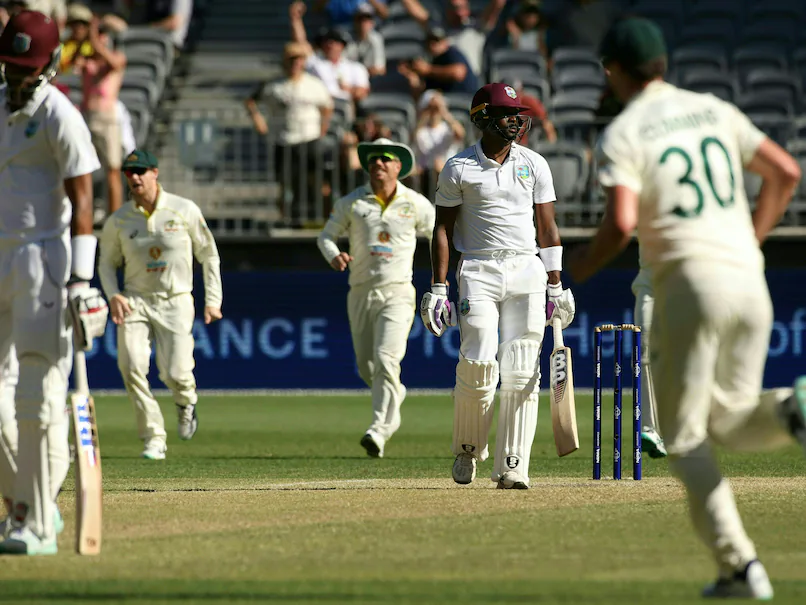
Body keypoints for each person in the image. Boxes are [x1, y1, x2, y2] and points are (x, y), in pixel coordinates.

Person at [568, 17, 806, 599]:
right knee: (728, 417)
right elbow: (786, 172)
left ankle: (740, 567)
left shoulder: (623, 131)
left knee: (686, 436)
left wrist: (574, 269)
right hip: (751, 279)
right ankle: (792, 410)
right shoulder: (713, 108)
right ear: (663, 65)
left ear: (614, 71)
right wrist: (750, 240)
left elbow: (621, 223)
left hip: (687, 284)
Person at [421, 83, 575, 489]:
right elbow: (442, 228)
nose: (516, 119)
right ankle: (468, 447)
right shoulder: (458, 167)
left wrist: (557, 285)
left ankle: (513, 465)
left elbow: (547, 226)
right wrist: (437, 288)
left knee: (523, 368)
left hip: (528, 270)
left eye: (517, 113)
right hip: (478, 270)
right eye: (507, 112)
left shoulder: (535, 163)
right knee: (478, 362)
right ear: (482, 117)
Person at [0, 10, 108, 555]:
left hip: (44, 259)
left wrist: (81, 280)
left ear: (50, 64)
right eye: (10, 67)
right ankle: (29, 502)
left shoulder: (60, 113)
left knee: (37, 388)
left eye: (26, 68)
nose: (17, 78)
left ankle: (35, 521)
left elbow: (84, 198)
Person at [98, 150, 223, 460]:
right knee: (131, 367)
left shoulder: (184, 209)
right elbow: (106, 265)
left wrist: (213, 300)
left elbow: (208, 254)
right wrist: (114, 294)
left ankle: (185, 402)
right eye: (129, 172)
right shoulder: (119, 220)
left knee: (176, 373)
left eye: (141, 170)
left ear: (155, 172)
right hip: (135, 301)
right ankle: (153, 437)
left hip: (176, 299)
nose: (135, 177)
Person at [317, 138, 435, 458]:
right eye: (372, 160)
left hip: (398, 292)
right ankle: (395, 392)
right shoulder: (353, 203)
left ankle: (379, 431)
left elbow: (440, 234)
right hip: (360, 293)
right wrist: (333, 255)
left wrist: (446, 275)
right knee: (367, 368)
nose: (378, 164)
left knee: (386, 359)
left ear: (399, 166)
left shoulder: (416, 203)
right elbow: (326, 236)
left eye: (385, 159)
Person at [245, 41, 333, 227]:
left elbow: (327, 106)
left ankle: (325, 218)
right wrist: (258, 120)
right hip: (283, 140)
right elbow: (251, 101)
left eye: (299, 59)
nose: (295, 63)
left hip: (309, 138)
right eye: (292, 59)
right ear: (285, 61)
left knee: (316, 180)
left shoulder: (314, 84)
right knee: (285, 183)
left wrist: (322, 128)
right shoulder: (273, 85)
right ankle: (287, 219)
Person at [72, 10, 126, 218]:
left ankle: (115, 218)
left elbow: (111, 62)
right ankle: (83, 215)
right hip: (87, 118)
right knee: (82, 170)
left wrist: (94, 31)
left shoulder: (117, 59)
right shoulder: (86, 61)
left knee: (112, 170)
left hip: (107, 120)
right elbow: (69, 64)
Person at [397, 27, 478, 97]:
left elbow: (458, 73)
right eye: (429, 41)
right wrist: (413, 79)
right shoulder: (430, 61)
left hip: (465, 100)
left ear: (445, 42)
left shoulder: (452, 53)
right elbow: (422, 95)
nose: (432, 44)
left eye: (437, 40)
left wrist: (428, 70)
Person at [344, 3, 385, 77]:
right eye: (360, 19)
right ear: (355, 22)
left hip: (369, 78)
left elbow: (379, 70)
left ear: (372, 23)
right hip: (349, 78)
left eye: (367, 20)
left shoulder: (376, 39)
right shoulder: (346, 37)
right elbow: (339, 65)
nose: (363, 23)